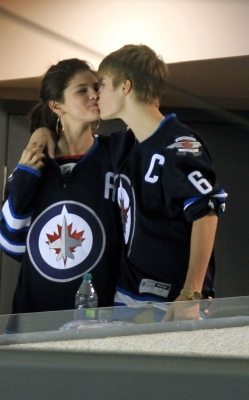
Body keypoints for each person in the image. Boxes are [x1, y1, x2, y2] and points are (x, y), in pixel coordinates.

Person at [97, 44, 227, 320]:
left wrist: (190, 295)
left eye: (103, 84)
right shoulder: (124, 143)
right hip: (126, 296)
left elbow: (206, 212)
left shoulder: (180, 144)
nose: (97, 93)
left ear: (125, 87)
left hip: (172, 302)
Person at [0, 58, 123, 314]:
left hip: (103, 315)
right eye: (82, 90)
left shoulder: (117, 154)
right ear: (57, 105)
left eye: (96, 87)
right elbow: (12, 243)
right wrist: (25, 177)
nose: (94, 95)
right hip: (35, 316)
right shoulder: (34, 164)